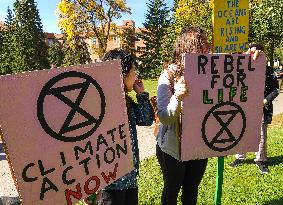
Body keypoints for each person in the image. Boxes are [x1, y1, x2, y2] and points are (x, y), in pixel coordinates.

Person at [156, 27, 210, 205]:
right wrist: (177, 97)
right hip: (173, 148)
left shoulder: (210, 68)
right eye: (202, 44)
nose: (208, 47)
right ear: (189, 47)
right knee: (172, 190)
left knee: (191, 188)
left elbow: (233, 68)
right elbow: (164, 117)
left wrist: (251, 57)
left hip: (199, 143)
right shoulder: (168, 75)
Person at [98, 49, 154, 205]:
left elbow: (146, 120)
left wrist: (141, 94)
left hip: (129, 178)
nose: (135, 75)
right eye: (133, 71)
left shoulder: (126, 102)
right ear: (121, 75)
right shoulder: (101, 107)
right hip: (110, 184)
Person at [229, 44, 280, 174]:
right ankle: (240, 157)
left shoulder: (268, 70)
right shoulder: (243, 67)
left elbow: (275, 89)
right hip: (244, 107)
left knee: (261, 135)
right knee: (242, 132)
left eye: (255, 52)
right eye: (250, 52)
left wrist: (265, 100)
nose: (253, 55)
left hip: (261, 108)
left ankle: (260, 160)